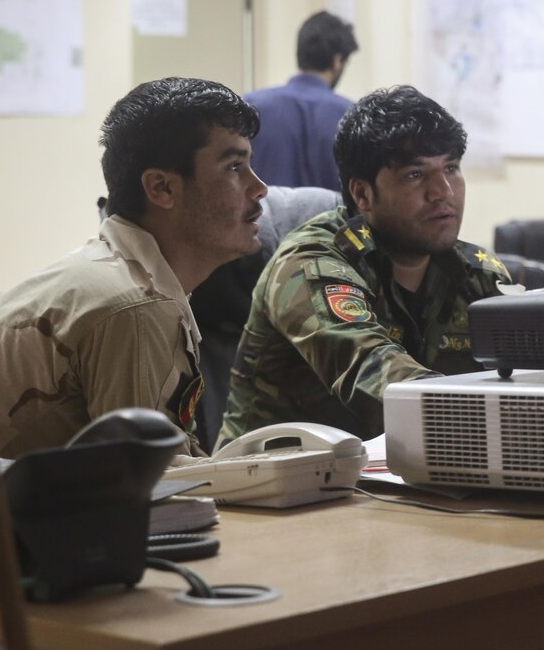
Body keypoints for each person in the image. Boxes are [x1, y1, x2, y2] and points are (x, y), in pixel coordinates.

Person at [0, 77, 268, 476]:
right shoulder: (133, 304)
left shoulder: (127, 275)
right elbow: (148, 482)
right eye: (234, 167)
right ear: (161, 188)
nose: (260, 188)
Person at [217, 85, 510, 445]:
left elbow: (526, 373)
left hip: (403, 469)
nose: (443, 192)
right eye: (415, 175)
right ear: (362, 194)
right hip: (273, 473)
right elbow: (369, 370)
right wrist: (503, 419)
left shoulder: (478, 274)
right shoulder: (312, 263)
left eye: (450, 168)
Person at [246, 10, 358, 191]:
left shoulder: (252, 106)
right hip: (333, 211)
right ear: (337, 61)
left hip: (262, 209)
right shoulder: (352, 115)